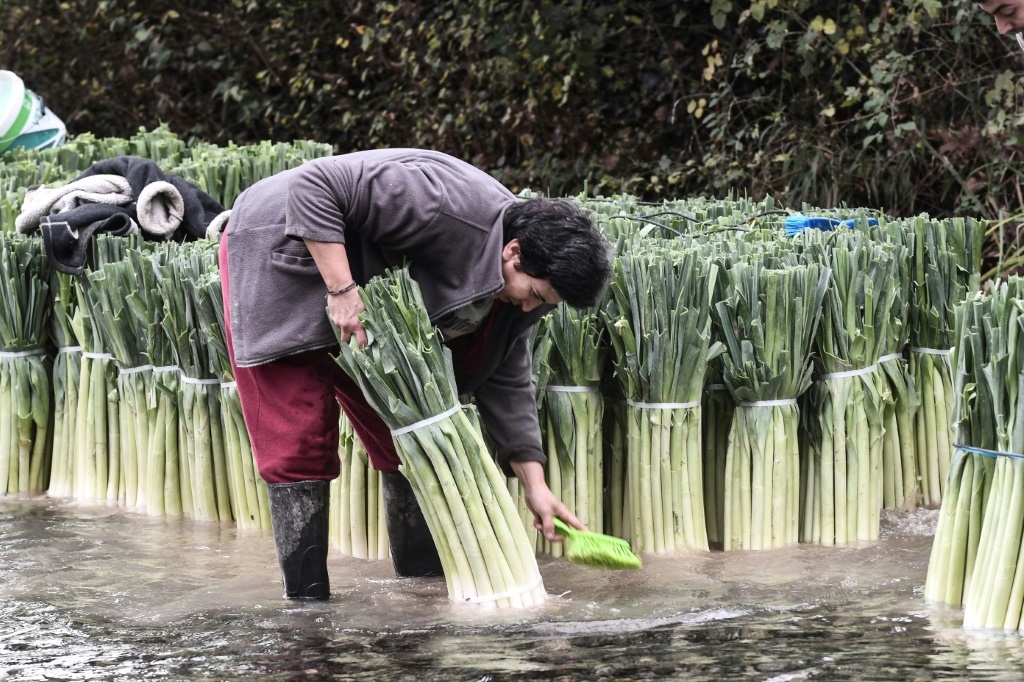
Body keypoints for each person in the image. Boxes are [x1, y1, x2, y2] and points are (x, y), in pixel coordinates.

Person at [218, 148, 612, 600]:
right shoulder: (442, 205)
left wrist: (535, 485)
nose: (531, 307)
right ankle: (307, 607)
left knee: (402, 433)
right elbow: (314, 184)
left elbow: (506, 372)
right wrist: (342, 291)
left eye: (544, 304)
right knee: (297, 435)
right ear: (514, 251)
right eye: (535, 294)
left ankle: (418, 591)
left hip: (362, 280)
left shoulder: (520, 288)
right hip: (283, 247)